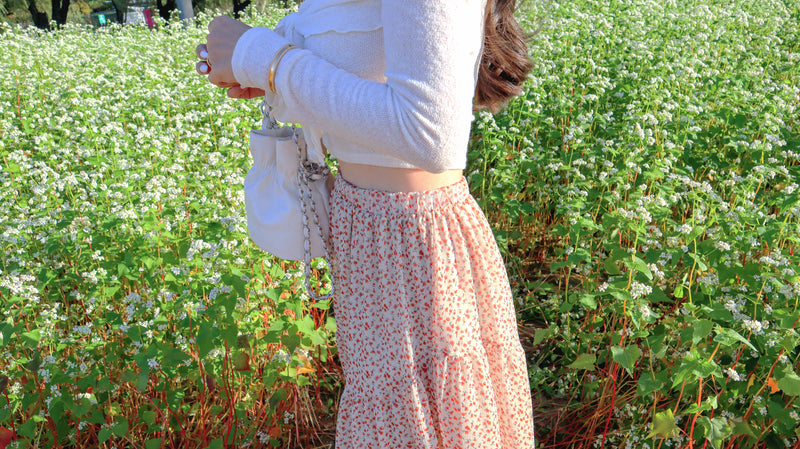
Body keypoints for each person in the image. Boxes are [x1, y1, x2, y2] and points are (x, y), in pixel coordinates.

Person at [196, 0, 536, 446]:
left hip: (415, 239)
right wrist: (271, 67)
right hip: (367, 233)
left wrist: (267, 60)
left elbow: (429, 132)